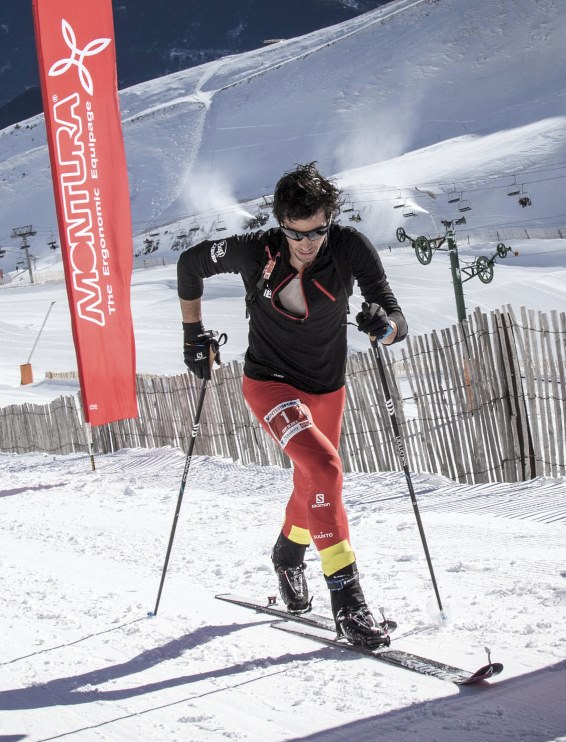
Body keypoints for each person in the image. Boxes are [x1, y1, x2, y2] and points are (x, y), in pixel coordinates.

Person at [176, 162, 408, 649]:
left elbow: (392, 315)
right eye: (295, 233)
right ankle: (348, 601)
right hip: (270, 385)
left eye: (317, 231)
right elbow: (189, 265)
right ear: (280, 222)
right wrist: (192, 334)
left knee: (311, 484)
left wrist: (383, 324)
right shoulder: (253, 250)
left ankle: (288, 553)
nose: (306, 243)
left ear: (330, 220)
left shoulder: (348, 247)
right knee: (325, 471)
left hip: (327, 387)